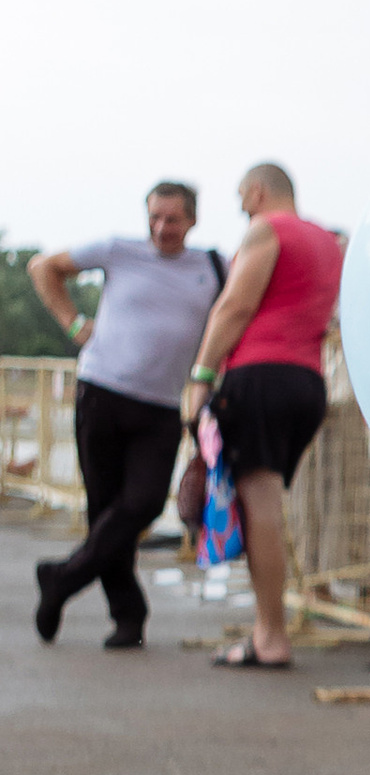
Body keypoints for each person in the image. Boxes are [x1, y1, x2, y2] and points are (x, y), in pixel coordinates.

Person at [29, 183, 224, 649]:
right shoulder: (119, 250)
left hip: (161, 407)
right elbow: (43, 267)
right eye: (154, 217)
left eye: (172, 219)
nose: (161, 228)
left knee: (144, 503)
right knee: (104, 511)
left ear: (192, 220)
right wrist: (74, 323)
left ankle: (61, 579)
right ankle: (129, 616)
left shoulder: (214, 266)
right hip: (101, 394)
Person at [180, 163, 346, 673]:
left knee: (260, 507)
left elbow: (234, 306)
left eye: (241, 196)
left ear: (257, 191)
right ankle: (267, 628)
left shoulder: (266, 229)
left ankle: (270, 635)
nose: (240, 207)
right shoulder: (328, 242)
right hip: (307, 382)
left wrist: (201, 377)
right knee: (267, 503)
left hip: (259, 375)